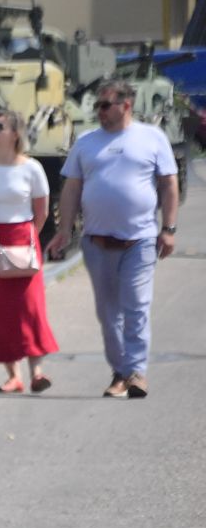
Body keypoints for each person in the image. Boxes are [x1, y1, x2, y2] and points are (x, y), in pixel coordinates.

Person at [46, 77, 180, 398]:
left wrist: (169, 228)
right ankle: (119, 371)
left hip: (141, 241)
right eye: (97, 105)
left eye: (106, 105)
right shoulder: (86, 142)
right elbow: (72, 189)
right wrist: (64, 229)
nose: (100, 111)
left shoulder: (152, 138)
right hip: (97, 243)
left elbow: (169, 183)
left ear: (126, 105)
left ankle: (135, 373)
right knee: (108, 315)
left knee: (136, 307)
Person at [0, 109, 58, 392]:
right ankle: (12, 374)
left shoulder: (32, 169)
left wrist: (28, 237)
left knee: (30, 307)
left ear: (15, 133)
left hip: (22, 237)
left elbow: (42, 212)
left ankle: (37, 372)